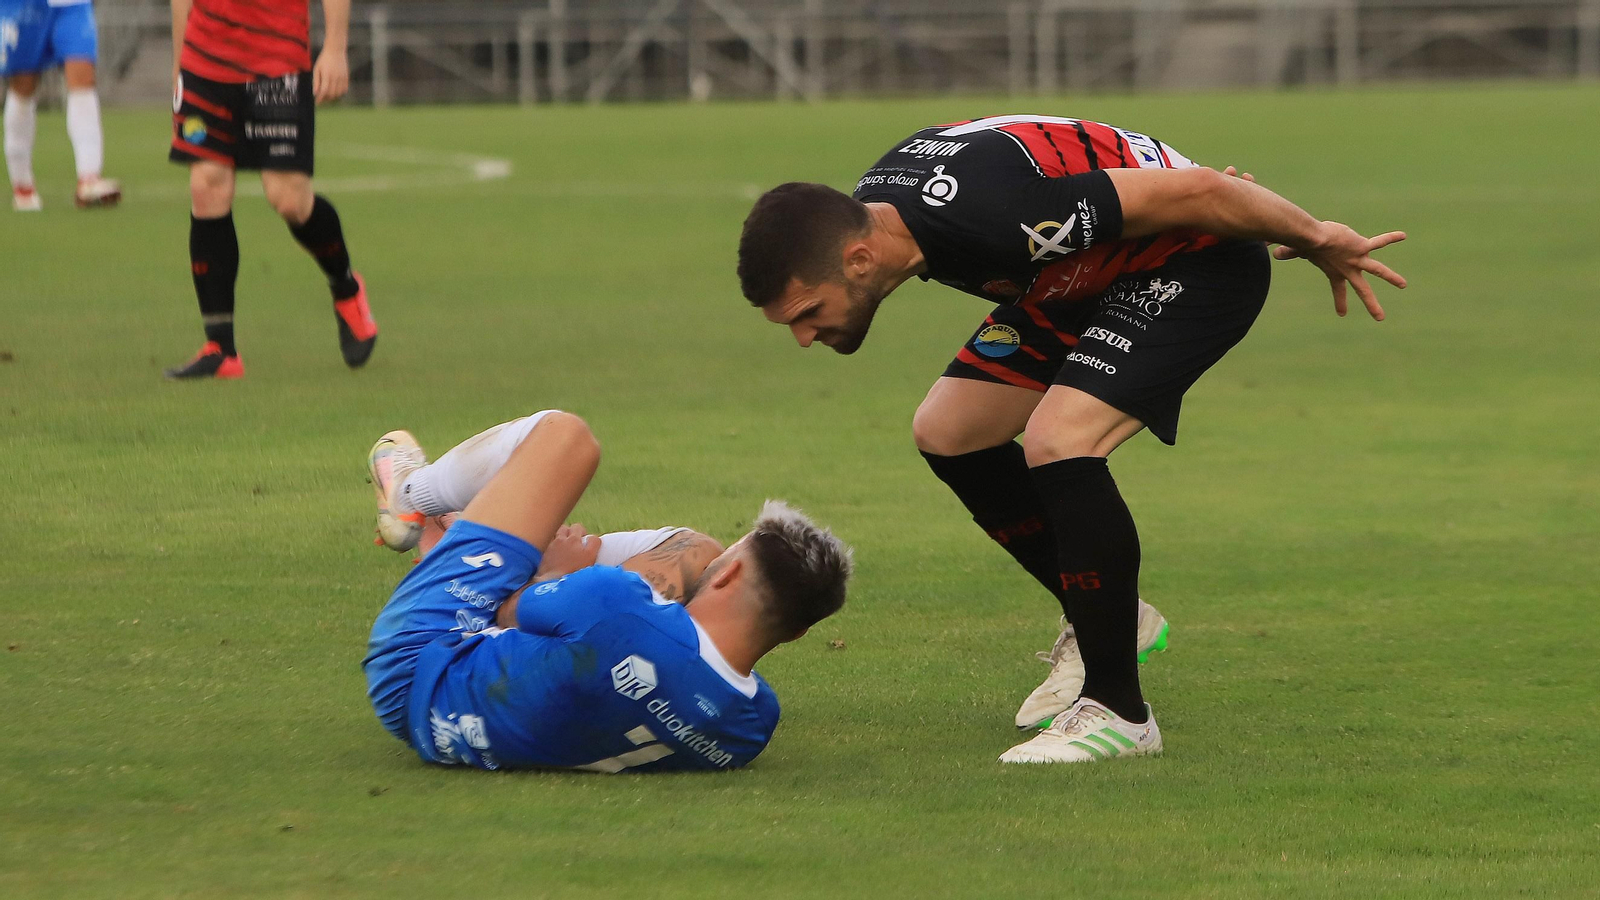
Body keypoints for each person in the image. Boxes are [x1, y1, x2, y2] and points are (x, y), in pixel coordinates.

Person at [736, 114, 1406, 764]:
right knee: (949, 431)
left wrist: (1318, 235)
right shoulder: (888, 221)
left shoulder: (988, 215)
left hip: (1195, 263)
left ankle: (1120, 713)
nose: (803, 336)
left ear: (858, 258)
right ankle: (1108, 621)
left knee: (1061, 439)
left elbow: (1198, 192)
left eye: (807, 313)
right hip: (1084, 276)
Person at [360, 411, 854, 772]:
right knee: (692, 548)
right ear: (796, 632)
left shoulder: (614, 604)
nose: (719, 560)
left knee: (565, 439)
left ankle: (410, 497)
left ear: (727, 577)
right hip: (474, 729)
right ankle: (456, 532)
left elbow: (501, 608)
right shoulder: (752, 724)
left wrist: (556, 573)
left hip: (420, 665)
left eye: (729, 558)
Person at [164, 0, 376, 380]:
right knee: (206, 185)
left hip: (277, 59)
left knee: (289, 199)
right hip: (205, 57)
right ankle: (221, 348)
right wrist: (180, 66)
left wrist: (335, 48)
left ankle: (345, 287)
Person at [1, 0, 120, 210]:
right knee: (23, 85)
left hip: (72, 4)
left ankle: (89, 178)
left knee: (83, 77)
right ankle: (23, 186)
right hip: (24, 5)